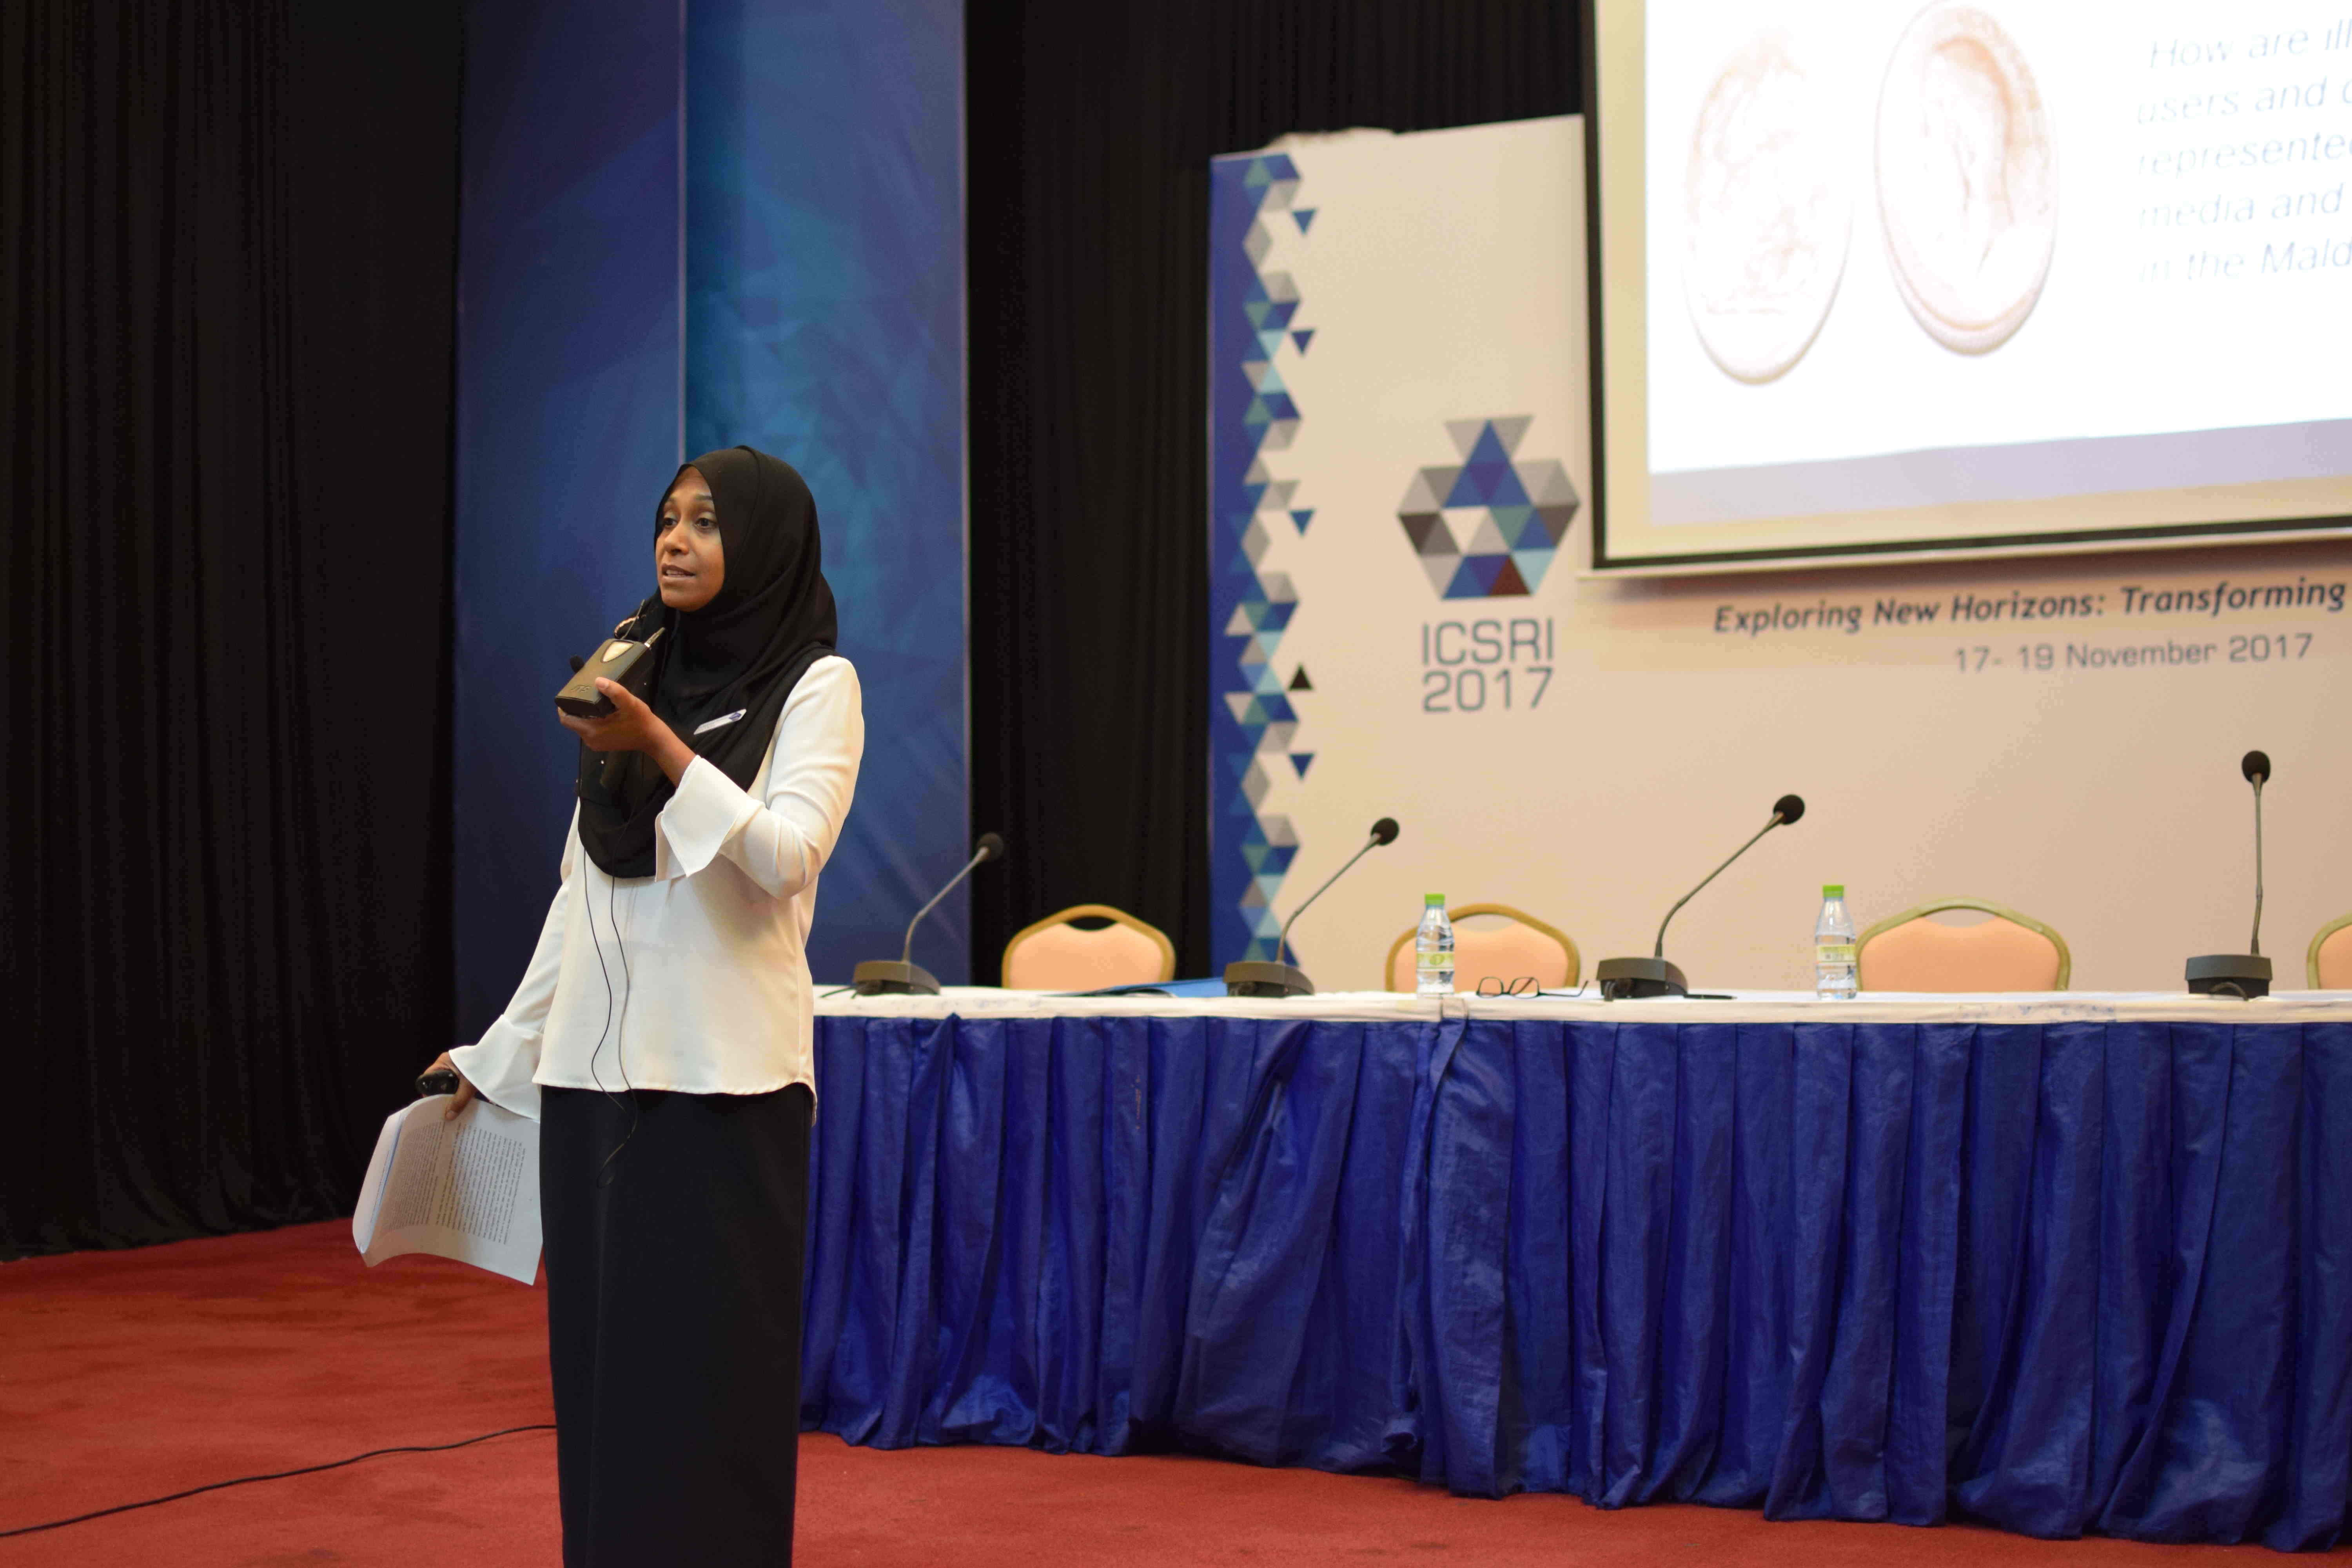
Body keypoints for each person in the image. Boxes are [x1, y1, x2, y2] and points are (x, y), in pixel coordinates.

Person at [425, 446, 862, 1565]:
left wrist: (663, 750)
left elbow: (786, 858)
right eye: (668, 518)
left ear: (762, 544)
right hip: (591, 1083)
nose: (676, 539)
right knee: (607, 1382)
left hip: (722, 1084)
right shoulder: (636, 667)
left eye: (707, 522)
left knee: (708, 1385)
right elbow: (580, 899)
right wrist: (498, 1052)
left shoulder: (817, 685)